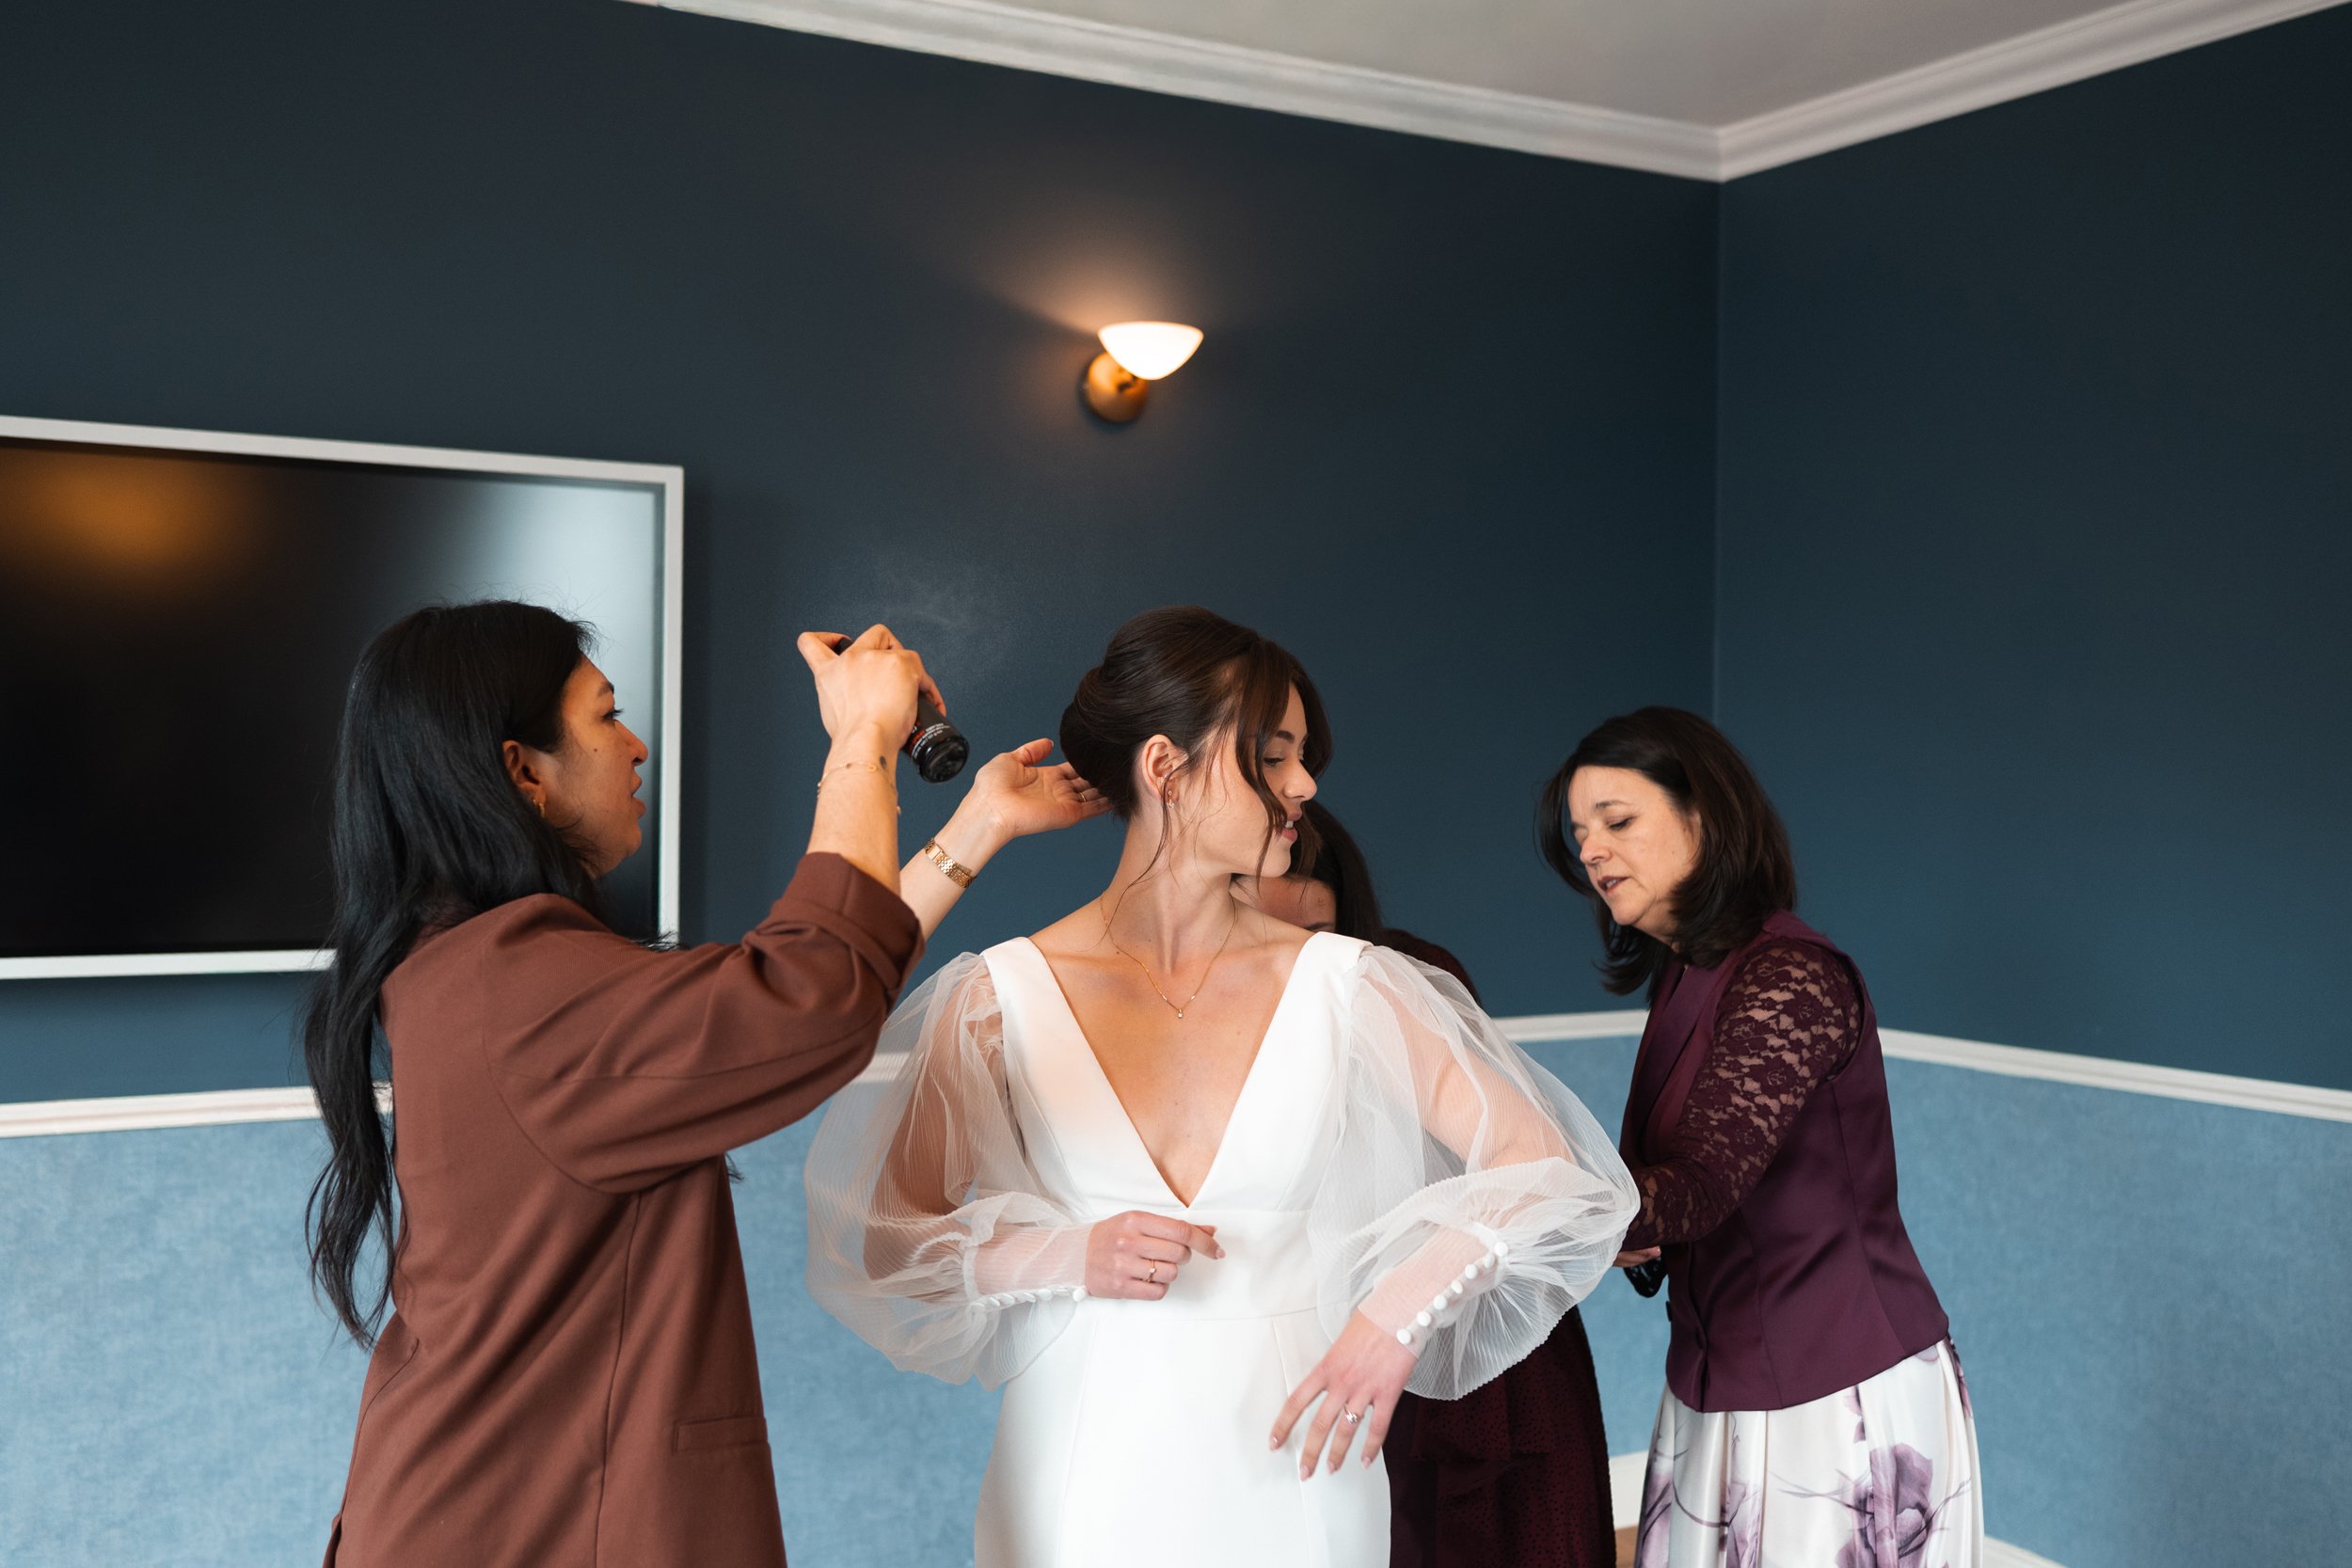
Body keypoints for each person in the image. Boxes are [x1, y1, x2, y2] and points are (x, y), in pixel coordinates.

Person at [804, 606, 1638, 1567]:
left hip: (1302, 1482)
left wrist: (1393, 1313)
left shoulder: (1354, 985)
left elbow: (1547, 1167)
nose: (1305, 785)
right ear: (1166, 767)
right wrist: (1064, 1253)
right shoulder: (997, 997)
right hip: (1080, 1473)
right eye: (1274, 756)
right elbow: (888, 1240)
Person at [304, 602, 1104, 1568]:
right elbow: (813, 993)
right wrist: (860, 736)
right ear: (523, 770)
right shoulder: (518, 984)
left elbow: (787, 1000)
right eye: (606, 717)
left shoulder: (472, 970)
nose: (636, 746)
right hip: (526, 1523)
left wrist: (979, 821)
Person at [1538, 707, 1982, 1568]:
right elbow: (1675, 1189)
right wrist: (1627, 1223)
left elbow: (1699, 1185)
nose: (1590, 851)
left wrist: (1520, 1201)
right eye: (1580, 834)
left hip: (1836, 1392)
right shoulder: (1686, 972)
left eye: (1617, 821)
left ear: (1704, 815)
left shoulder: (1791, 974)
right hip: (1719, 1381)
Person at [1253, 800, 1619, 1568]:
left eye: (1312, 934)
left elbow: (1527, 1163)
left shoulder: (1391, 978)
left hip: (1463, 1334)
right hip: (1319, 1337)